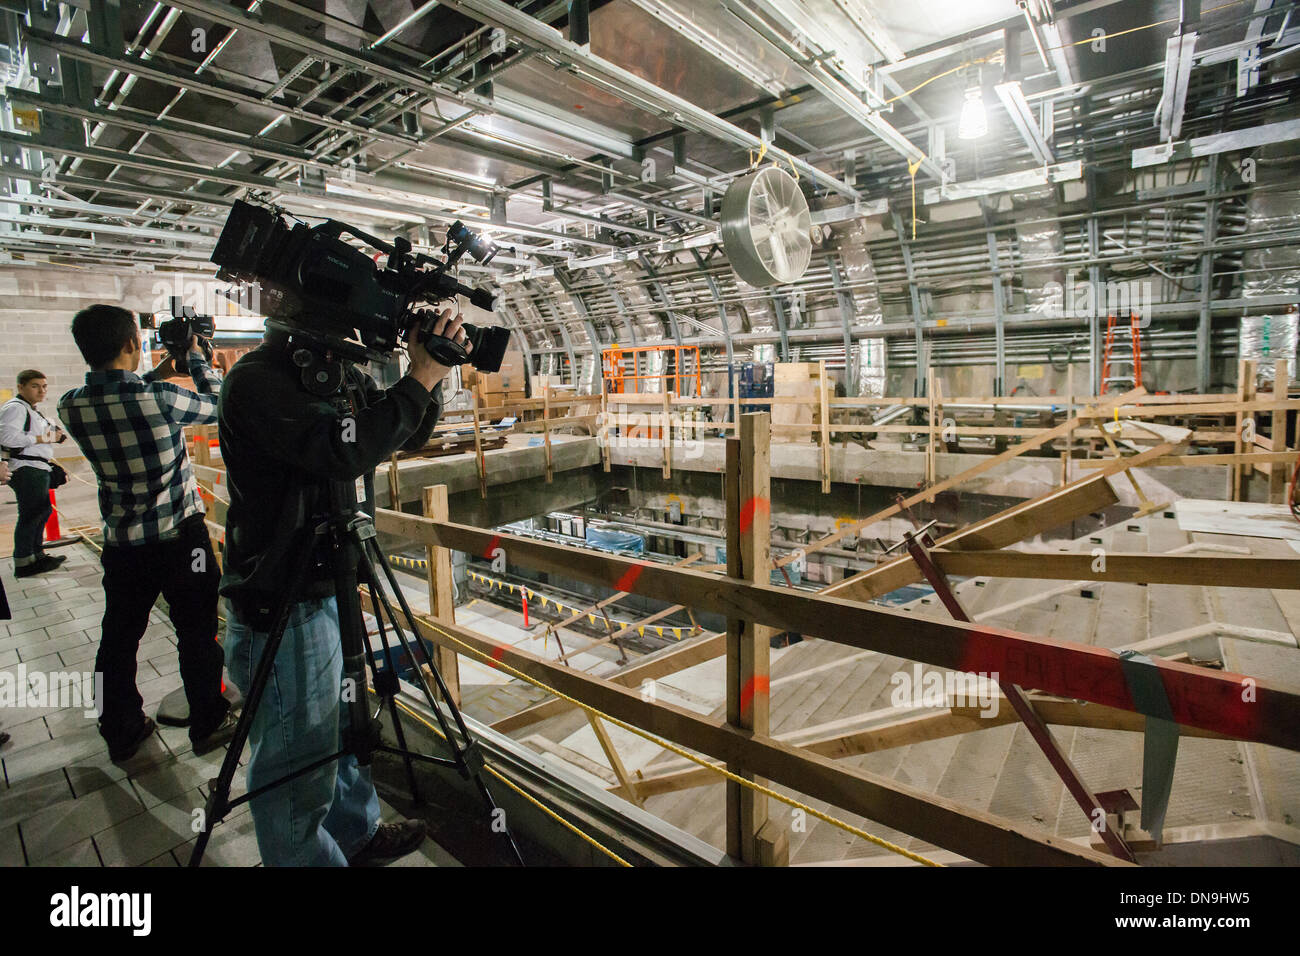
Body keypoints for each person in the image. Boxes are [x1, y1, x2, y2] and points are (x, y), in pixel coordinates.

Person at [218, 310, 463, 866]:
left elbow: (404, 429)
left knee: (343, 727)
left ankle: (357, 834)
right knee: (293, 765)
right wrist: (417, 379)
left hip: (330, 580)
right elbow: (341, 449)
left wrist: (429, 373)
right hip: (282, 596)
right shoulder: (259, 380)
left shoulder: (336, 373)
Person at [58, 305, 237, 763]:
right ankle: (208, 720)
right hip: (181, 541)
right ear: (131, 344)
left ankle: (119, 727)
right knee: (197, 630)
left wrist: (160, 367)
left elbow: (129, 392)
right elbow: (220, 403)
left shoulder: (71, 404)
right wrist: (196, 358)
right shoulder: (159, 399)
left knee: (117, 637)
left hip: (122, 546)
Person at [1, 369, 66, 577]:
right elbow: (8, 438)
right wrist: (42, 439)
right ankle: (23, 562)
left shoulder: (32, 410)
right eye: (35, 386)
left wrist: (52, 436)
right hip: (26, 468)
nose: (41, 390)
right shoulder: (16, 408)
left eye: (44, 386)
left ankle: (37, 555)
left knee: (41, 511)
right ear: (21, 387)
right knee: (30, 515)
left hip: (38, 467)